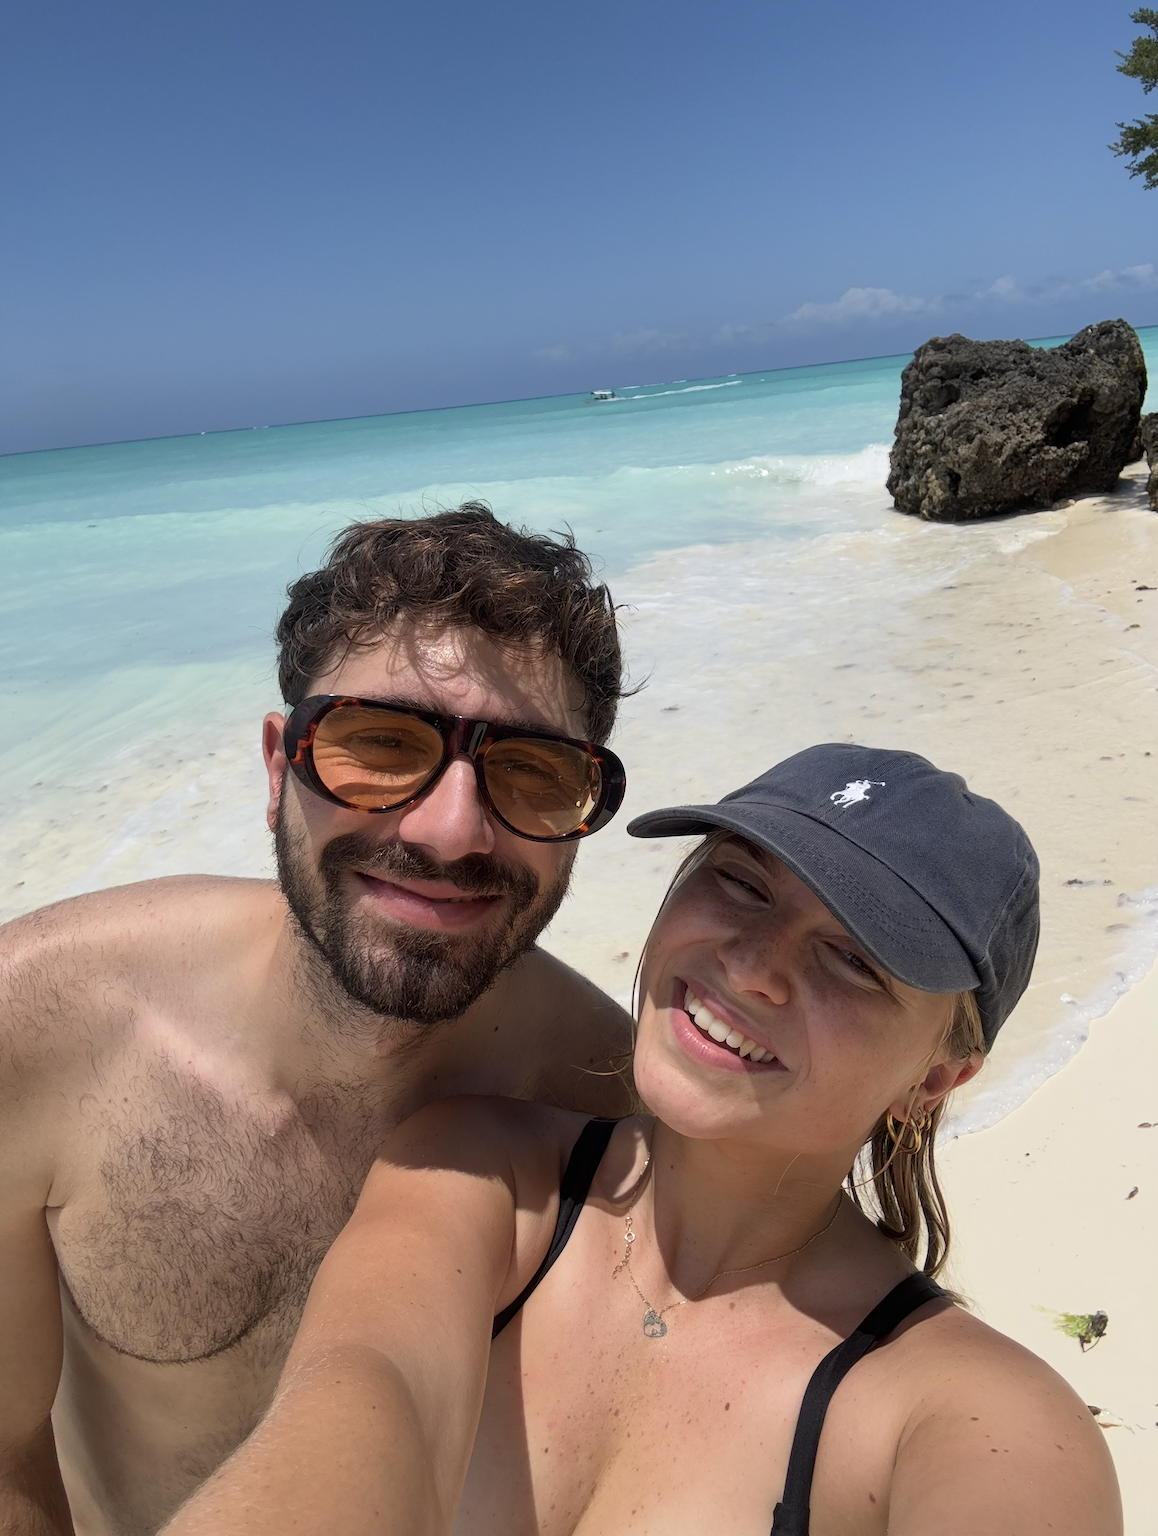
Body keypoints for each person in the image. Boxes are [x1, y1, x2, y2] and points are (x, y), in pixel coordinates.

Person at [162, 743, 1120, 1536]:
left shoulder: (972, 1418)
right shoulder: (483, 1173)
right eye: (742, 886)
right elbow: (365, 1397)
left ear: (935, 1079)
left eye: (852, 960)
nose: (752, 967)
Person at [0, 505, 637, 1536]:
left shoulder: (615, 1116)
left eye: (531, 773)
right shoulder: (39, 1023)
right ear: (275, 764)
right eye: (379, 745)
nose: (450, 830)